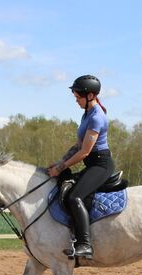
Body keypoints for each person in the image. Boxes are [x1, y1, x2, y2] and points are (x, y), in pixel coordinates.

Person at [48, 75, 115, 259]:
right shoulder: (86, 114)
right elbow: (78, 145)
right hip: (92, 163)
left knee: (75, 196)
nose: (76, 101)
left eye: (78, 97)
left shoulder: (97, 118)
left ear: (91, 95)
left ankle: (85, 244)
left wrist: (61, 167)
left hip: (101, 165)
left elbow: (85, 152)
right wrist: (60, 162)